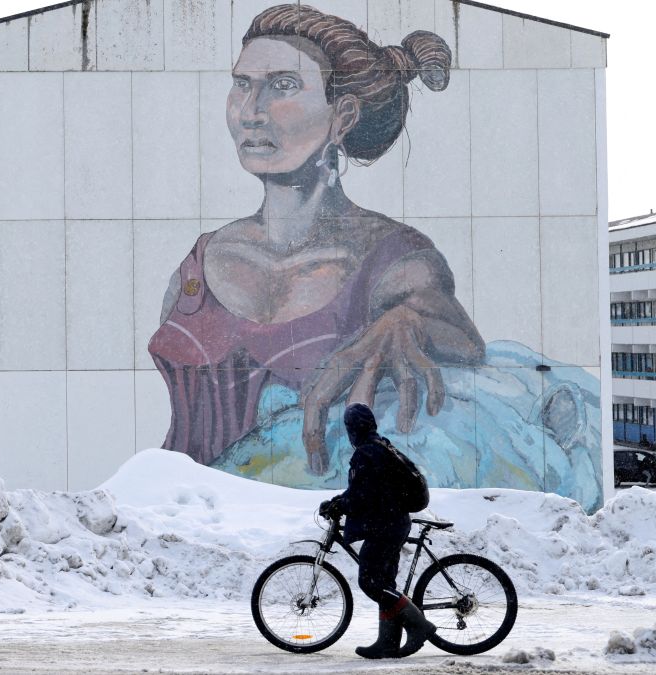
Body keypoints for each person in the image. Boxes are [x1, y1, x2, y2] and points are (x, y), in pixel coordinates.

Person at [147, 4, 484, 475]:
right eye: (241, 84)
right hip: (187, 522)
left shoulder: (392, 256)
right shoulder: (199, 264)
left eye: (282, 86)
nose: (250, 112)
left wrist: (405, 321)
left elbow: (463, 340)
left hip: (309, 518)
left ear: (342, 116)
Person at [320, 404, 434, 659]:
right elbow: (369, 489)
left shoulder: (367, 453)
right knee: (384, 583)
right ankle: (388, 643)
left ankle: (419, 626)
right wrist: (342, 501)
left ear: (354, 428)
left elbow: (362, 493)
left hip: (385, 525)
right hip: (392, 522)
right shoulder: (380, 446)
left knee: (370, 582)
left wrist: (339, 504)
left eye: (349, 427)